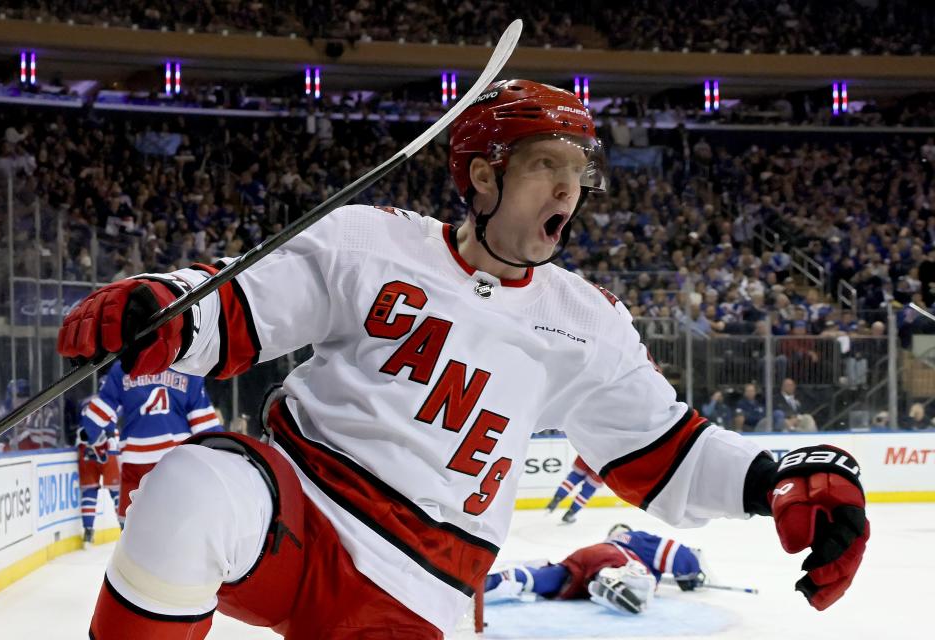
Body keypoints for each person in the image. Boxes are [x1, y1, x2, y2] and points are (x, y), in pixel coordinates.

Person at [56, 79, 869, 640]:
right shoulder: (371, 240)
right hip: (294, 505)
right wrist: (163, 303)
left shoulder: (588, 324)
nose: (567, 190)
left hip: (420, 585)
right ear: (483, 175)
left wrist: (779, 477)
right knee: (191, 491)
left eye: (578, 173)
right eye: (546, 165)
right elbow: (244, 307)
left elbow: (671, 451)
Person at [77, 361, 223, 527]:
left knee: (130, 520)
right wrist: (221, 452)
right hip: (176, 459)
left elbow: (103, 406)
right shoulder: (189, 368)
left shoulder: (123, 368)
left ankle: (132, 546)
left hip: (135, 459)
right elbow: (204, 423)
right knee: (178, 517)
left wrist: (89, 433)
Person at [484, 531, 657, 614]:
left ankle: (498, 579)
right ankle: (609, 576)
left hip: (581, 561)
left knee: (552, 578)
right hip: (610, 558)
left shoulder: (612, 540)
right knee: (639, 580)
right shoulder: (632, 544)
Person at [75, 405, 121, 546]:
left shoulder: (87, 407)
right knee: (115, 491)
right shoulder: (111, 406)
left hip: (93, 450)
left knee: (92, 491)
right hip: (101, 450)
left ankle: (88, 532)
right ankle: (125, 528)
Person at [546, 455, 604, 523]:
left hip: (587, 451)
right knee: (589, 488)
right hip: (604, 460)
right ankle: (570, 514)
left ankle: (557, 498)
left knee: (575, 476)